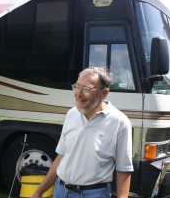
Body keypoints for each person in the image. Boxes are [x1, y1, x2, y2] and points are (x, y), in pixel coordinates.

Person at [31, 66, 133, 198]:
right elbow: (62, 157)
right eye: (77, 86)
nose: (78, 93)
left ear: (104, 93)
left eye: (86, 89)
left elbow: (123, 169)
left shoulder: (120, 122)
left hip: (93, 194)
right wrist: (39, 191)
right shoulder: (71, 114)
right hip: (61, 191)